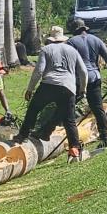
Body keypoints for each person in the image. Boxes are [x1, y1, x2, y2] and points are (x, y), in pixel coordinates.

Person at [14, 26, 88, 163]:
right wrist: (82, 89)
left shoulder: (46, 50)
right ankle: (74, 150)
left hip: (49, 85)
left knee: (34, 108)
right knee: (69, 120)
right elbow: (83, 71)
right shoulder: (72, 50)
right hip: (68, 88)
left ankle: (22, 135)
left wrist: (30, 89)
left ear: (51, 39)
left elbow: (39, 71)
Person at [66, 19, 107, 148]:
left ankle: (73, 141)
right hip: (95, 77)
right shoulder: (96, 40)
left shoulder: (71, 42)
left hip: (79, 80)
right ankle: (105, 138)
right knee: (98, 108)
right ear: (85, 28)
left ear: (74, 30)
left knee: (68, 108)